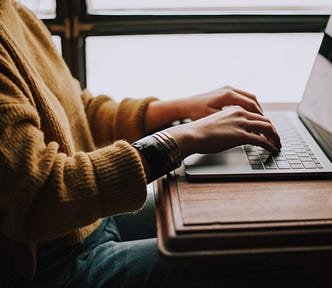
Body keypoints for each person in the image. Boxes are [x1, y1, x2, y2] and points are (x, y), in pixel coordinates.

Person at [0, 1, 315, 287]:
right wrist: (179, 140)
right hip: (54, 265)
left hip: (86, 221)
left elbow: (77, 112)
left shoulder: (14, 10)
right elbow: (40, 198)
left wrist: (178, 109)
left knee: (254, 221)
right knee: (280, 256)